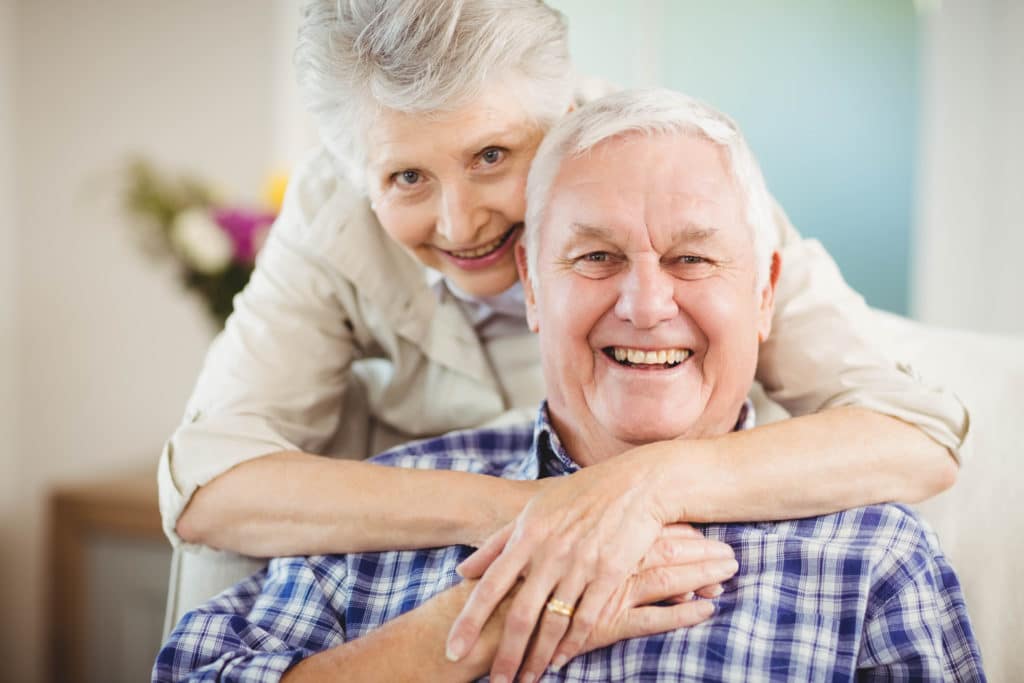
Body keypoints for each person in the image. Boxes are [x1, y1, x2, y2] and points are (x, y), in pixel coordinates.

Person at [159, 0, 968, 676]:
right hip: (449, 531)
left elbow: (914, 432)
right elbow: (209, 483)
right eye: (408, 177)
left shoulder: (666, 175)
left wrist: (645, 486)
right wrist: (542, 514)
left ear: (562, 120)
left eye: (491, 155)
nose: (458, 221)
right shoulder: (335, 212)